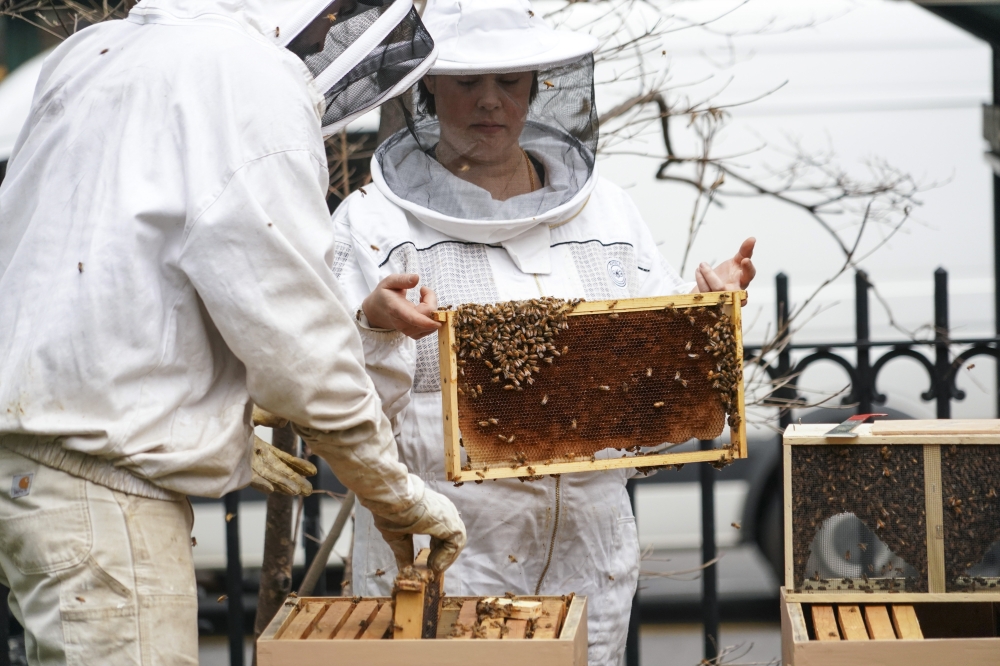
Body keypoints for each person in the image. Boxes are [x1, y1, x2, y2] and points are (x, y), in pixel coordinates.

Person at [0, 1, 466, 664]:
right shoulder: (245, 77)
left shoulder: (93, 52)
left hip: (34, 465)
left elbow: (104, 277)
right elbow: (295, 336)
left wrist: (216, 413)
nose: (335, 27)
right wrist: (395, 494)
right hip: (100, 496)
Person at [331, 0, 756, 663]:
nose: (490, 102)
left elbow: (674, 410)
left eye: (509, 80)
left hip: (591, 556)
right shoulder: (376, 227)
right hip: (445, 556)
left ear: (537, 86)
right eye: (468, 81)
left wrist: (703, 321)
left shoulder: (607, 213)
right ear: (429, 87)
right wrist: (373, 329)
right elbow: (338, 413)